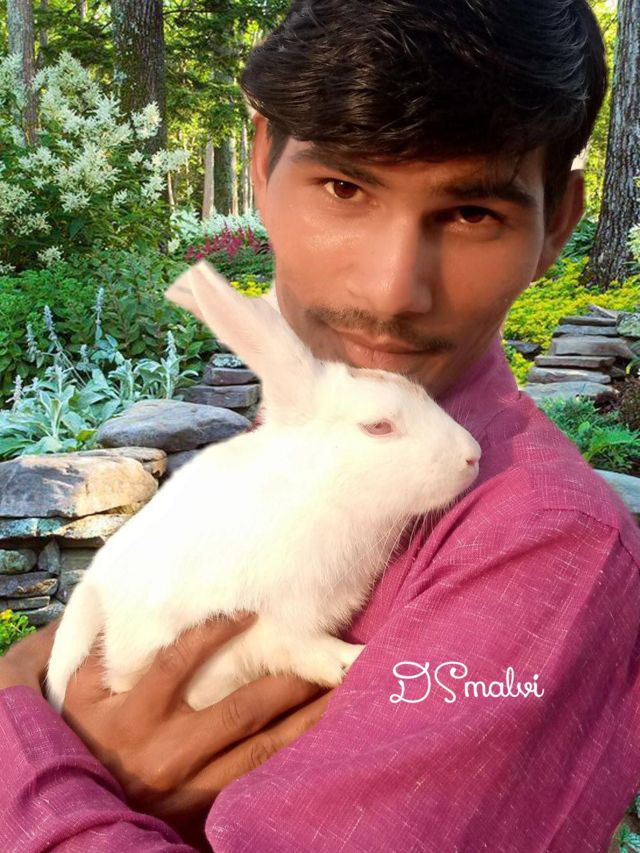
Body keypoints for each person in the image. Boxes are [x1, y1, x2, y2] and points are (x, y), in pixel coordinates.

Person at [1, 0, 640, 850]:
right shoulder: (276, 450)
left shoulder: (542, 547)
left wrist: (29, 756)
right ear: (262, 161)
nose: (392, 290)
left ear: (557, 220)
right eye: (344, 188)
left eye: (472, 213)